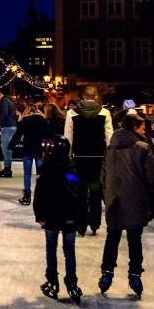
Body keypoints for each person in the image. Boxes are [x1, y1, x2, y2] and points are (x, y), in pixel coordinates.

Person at [97, 113, 154, 297]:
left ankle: (107, 273)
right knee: (134, 240)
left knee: (112, 238)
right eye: (143, 127)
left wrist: (108, 196)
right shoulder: (143, 148)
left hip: (115, 200)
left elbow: (103, 177)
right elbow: (151, 178)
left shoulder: (110, 148)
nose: (145, 130)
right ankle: (135, 275)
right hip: (136, 201)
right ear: (135, 128)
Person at [32, 135, 83, 304]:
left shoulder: (46, 170)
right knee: (69, 251)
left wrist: (40, 215)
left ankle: (53, 281)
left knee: (51, 248)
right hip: (69, 216)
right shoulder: (71, 170)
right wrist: (80, 216)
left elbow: (39, 195)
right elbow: (79, 192)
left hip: (52, 216)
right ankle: (71, 283)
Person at [64, 86, 113, 236]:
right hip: (98, 158)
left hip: (79, 158)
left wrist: (68, 155)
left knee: (80, 192)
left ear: (82, 97)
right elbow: (109, 137)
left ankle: (81, 223)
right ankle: (95, 223)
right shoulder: (105, 113)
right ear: (97, 97)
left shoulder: (72, 113)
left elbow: (68, 137)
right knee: (96, 191)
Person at [7, 103, 48, 206]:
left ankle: (27, 195)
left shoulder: (24, 121)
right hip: (40, 150)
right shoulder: (43, 121)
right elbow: (48, 135)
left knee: (27, 173)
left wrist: (11, 147)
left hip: (27, 150)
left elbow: (17, 135)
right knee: (41, 174)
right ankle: (42, 194)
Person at [0, 89, 18, 177]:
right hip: (11, 125)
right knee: (8, 148)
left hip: (7, 126)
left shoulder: (4, 100)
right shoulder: (9, 100)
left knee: (5, 148)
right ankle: (7, 168)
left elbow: (4, 113)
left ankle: (7, 169)